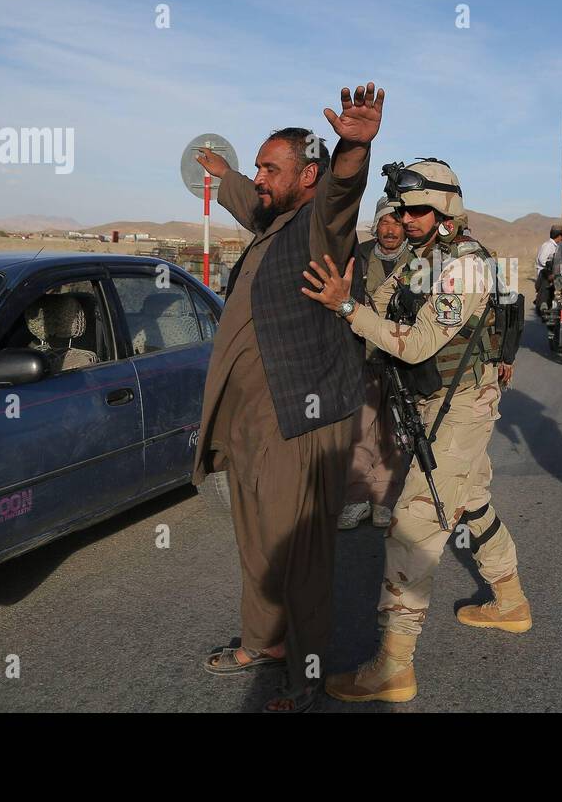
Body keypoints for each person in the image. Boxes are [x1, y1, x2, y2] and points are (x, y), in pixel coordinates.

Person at [302, 158, 528, 703]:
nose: (408, 219)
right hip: (438, 404)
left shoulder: (467, 266)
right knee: (471, 500)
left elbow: (416, 343)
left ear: (447, 207)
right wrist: (348, 308)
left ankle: (393, 667)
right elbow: (380, 307)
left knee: (412, 527)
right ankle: (510, 602)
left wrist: (350, 308)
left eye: (420, 209)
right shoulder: (427, 259)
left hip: (461, 409)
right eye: (404, 209)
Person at [191, 82, 384, 713]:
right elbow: (254, 204)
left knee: (295, 550)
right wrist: (226, 176)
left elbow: (339, 196)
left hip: (296, 414)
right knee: (255, 536)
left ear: (308, 176)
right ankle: (263, 644)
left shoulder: (319, 225)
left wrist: (354, 151)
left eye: (269, 168)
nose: (258, 178)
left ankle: (306, 676)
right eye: (256, 167)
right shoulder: (275, 216)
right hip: (254, 413)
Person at [339, 196, 411, 530]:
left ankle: (384, 501)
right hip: (362, 357)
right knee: (359, 430)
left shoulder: (418, 263)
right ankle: (356, 499)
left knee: (394, 433)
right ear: (376, 225)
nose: (390, 229)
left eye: (397, 222)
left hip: (402, 361)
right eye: (385, 222)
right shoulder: (360, 256)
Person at [535, 225, 562, 313]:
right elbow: (542, 260)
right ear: (559, 236)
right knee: (548, 285)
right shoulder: (548, 245)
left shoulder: (555, 246)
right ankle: (543, 303)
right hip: (545, 273)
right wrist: (551, 266)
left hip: (552, 271)